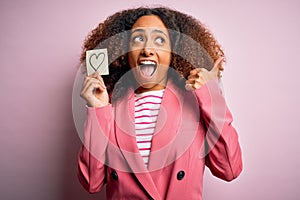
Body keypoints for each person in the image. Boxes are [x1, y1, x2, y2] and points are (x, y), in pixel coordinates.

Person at [77, 6, 242, 200]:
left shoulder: (196, 103)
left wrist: (211, 96)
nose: (147, 49)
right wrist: (97, 111)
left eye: (160, 40)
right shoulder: (109, 107)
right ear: (125, 52)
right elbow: (90, 182)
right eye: (138, 39)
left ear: (174, 52)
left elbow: (229, 169)